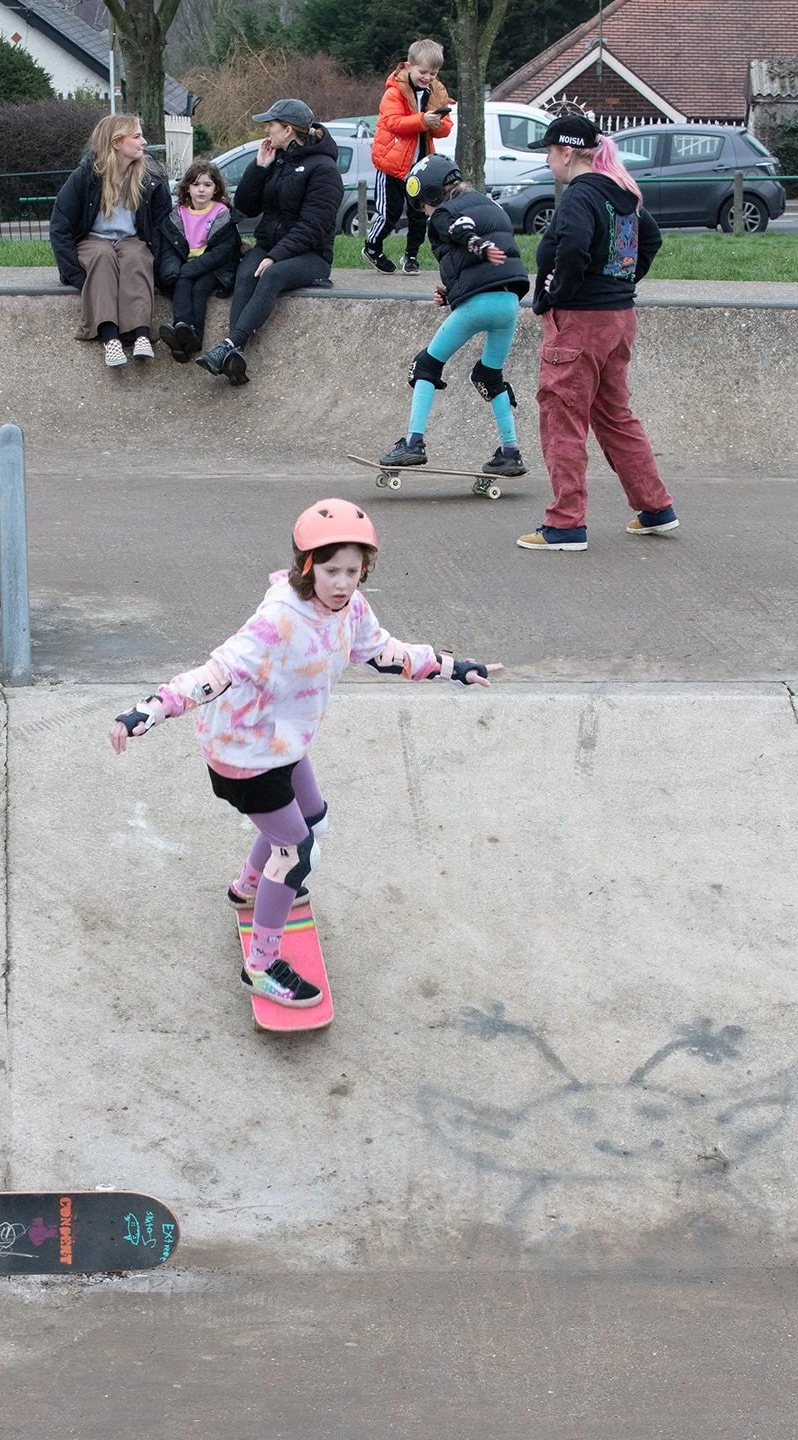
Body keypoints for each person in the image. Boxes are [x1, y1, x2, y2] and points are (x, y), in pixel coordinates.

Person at [108, 498, 498, 1008]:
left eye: (353, 571)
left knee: (311, 821)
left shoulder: (350, 608)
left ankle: (248, 887)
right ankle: (263, 965)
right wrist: (151, 709)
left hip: (283, 744)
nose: (342, 582)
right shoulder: (278, 620)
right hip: (244, 753)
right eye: (332, 570)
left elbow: (382, 653)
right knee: (295, 851)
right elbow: (217, 672)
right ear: (307, 565)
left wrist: (451, 667)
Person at [516, 114, 679, 552]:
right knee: (613, 415)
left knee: (562, 415)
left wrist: (556, 296)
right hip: (618, 318)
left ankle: (566, 524)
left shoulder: (579, 195)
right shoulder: (622, 191)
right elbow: (651, 241)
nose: (548, 160)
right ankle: (655, 508)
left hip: (580, 320)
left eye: (549, 152)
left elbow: (572, 247)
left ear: (566, 152)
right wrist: (623, 281)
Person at [379, 155, 530, 477]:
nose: (424, 213)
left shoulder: (445, 213)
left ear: (431, 195)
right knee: (489, 375)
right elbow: (477, 269)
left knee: (426, 365)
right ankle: (510, 452)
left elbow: (461, 230)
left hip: (478, 306)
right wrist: (452, 292)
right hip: (507, 304)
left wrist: (477, 244)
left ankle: (414, 443)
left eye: (422, 206)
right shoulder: (490, 205)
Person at [196, 100, 341, 386]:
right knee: (246, 272)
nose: (266, 129)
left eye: (271, 124)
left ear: (287, 130)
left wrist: (275, 256)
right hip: (271, 246)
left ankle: (229, 345)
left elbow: (314, 227)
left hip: (311, 255)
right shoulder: (277, 160)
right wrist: (260, 168)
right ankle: (234, 351)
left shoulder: (324, 169)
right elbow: (247, 207)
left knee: (270, 274)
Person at [50, 113, 172, 368]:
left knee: (136, 257)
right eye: (137, 136)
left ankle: (140, 333)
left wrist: (161, 267)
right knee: (102, 257)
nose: (144, 141)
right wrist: (77, 277)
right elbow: (60, 227)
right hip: (93, 238)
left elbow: (163, 226)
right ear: (117, 143)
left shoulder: (151, 177)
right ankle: (110, 337)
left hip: (131, 238)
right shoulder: (85, 176)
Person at [364, 39, 454, 276]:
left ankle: (411, 255)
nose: (427, 77)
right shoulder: (394, 92)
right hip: (391, 164)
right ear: (409, 66)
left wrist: (437, 122)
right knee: (389, 212)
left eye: (433, 73)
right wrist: (423, 120)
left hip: (419, 165)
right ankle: (373, 247)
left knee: (419, 213)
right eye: (423, 72)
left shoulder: (436, 91)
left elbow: (445, 129)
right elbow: (393, 123)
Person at [157, 160, 240, 362]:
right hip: (187, 265)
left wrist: (190, 269)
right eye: (196, 184)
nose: (201, 190)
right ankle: (182, 330)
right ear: (187, 187)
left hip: (214, 267)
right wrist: (173, 270)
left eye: (207, 185)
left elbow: (223, 251)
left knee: (200, 288)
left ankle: (196, 334)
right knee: (181, 285)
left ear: (216, 188)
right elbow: (170, 248)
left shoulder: (222, 213)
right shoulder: (179, 214)